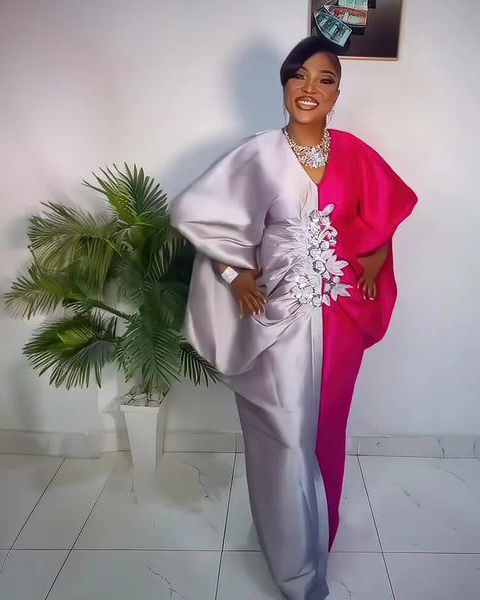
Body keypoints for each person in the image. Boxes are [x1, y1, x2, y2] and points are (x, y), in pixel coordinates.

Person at [171, 36, 417, 600]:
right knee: (283, 437)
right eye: (299, 76)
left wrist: (374, 258)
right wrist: (234, 273)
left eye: (325, 79)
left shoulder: (353, 152)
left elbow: (385, 214)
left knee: (326, 431)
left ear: (337, 92)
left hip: (340, 318)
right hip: (278, 321)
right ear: (284, 84)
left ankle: (318, 537)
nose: (310, 88)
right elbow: (197, 215)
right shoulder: (257, 154)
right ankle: (294, 564)